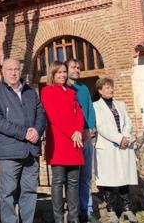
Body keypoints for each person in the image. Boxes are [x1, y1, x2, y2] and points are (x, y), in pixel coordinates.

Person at [0, 58, 46, 223]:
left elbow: (41, 113)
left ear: (20, 71)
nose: (13, 73)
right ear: (3, 72)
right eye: (9, 69)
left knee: (29, 191)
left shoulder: (30, 91)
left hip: (31, 150)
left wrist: (37, 130)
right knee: (8, 193)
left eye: (16, 69)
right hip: (9, 153)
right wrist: (24, 133)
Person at [41, 61, 85, 223]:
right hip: (59, 142)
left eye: (64, 72)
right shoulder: (47, 91)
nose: (63, 75)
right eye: (59, 72)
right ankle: (58, 219)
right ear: (52, 74)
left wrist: (78, 131)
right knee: (58, 182)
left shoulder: (70, 92)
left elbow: (79, 114)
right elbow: (54, 117)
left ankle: (73, 218)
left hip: (75, 142)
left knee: (74, 182)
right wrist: (71, 133)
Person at [92, 78, 138, 223]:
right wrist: (119, 139)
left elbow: (128, 123)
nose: (110, 90)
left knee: (124, 179)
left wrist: (125, 137)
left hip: (123, 146)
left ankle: (127, 209)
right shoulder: (95, 107)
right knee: (109, 181)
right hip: (107, 147)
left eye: (111, 87)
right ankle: (111, 211)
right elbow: (101, 127)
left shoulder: (121, 104)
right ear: (99, 90)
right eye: (106, 87)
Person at [67, 59, 99, 223]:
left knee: (86, 177)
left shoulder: (84, 89)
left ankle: (87, 210)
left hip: (87, 139)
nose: (77, 70)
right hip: (72, 140)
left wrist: (91, 128)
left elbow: (90, 110)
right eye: (73, 67)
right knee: (73, 179)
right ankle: (74, 212)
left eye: (78, 67)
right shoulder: (64, 89)